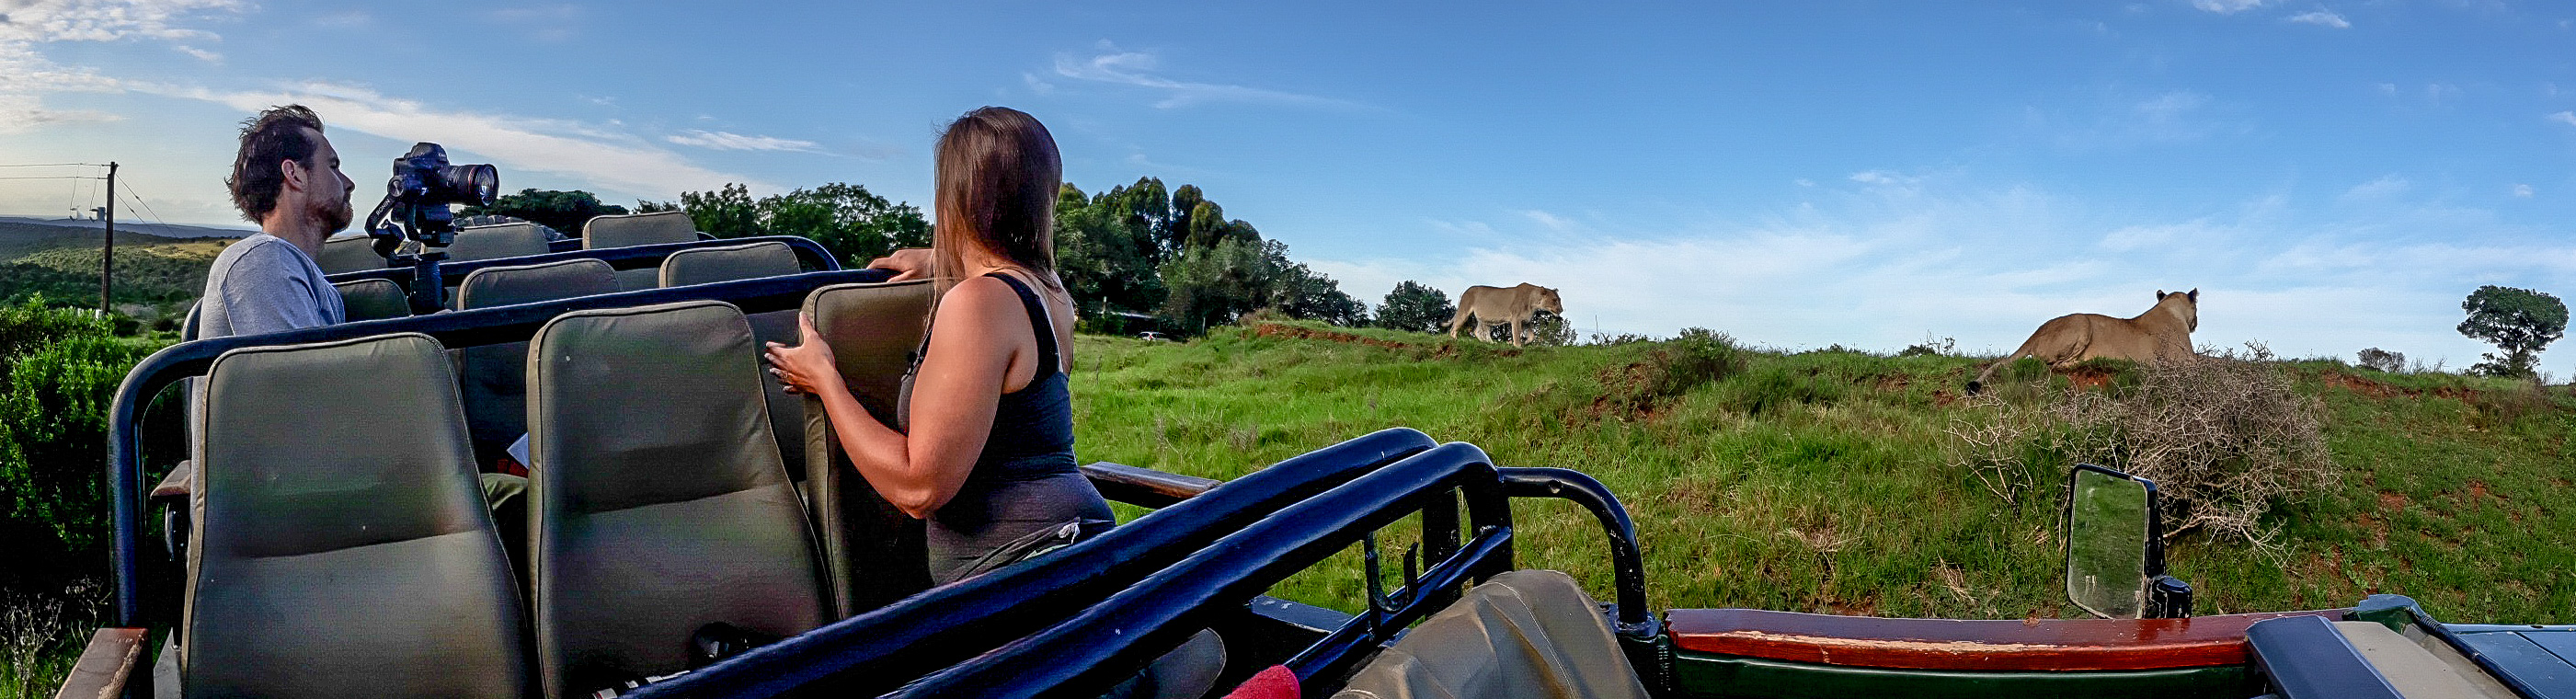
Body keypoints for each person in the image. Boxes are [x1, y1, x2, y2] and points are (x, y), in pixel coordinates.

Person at [765, 106, 1113, 584]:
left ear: (955, 197)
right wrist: (939, 259)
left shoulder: (978, 303)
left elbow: (919, 487)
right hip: (1076, 549)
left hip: (1019, 579)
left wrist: (825, 379)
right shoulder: (1049, 292)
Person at [202, 104, 352, 337]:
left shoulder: (294, 268)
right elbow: (307, 372)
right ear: (294, 174)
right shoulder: (264, 260)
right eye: (333, 167)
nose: (348, 183)